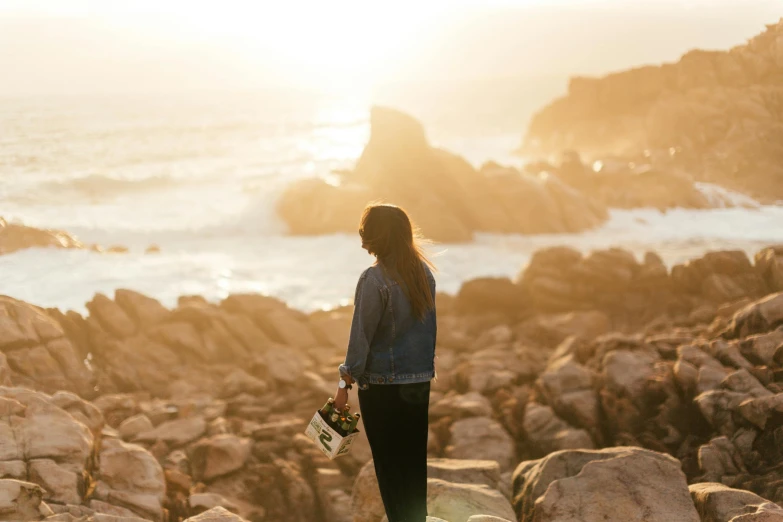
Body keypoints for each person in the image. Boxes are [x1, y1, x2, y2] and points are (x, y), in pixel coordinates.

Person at [334, 203, 437, 522]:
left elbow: (360, 339)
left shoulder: (373, 279)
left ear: (374, 237)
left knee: (391, 472)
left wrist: (343, 386)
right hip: (418, 385)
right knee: (412, 468)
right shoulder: (424, 274)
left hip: (383, 390)